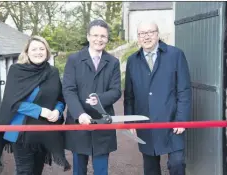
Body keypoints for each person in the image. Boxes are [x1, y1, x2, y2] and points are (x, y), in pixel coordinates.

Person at [0, 36, 70, 175]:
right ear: (27, 52)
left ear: (47, 51)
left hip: (43, 132)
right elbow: (12, 102)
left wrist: (57, 111)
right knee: (24, 171)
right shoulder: (16, 71)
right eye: (34, 49)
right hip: (21, 132)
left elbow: (60, 98)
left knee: (37, 171)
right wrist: (39, 111)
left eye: (42, 48)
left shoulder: (52, 72)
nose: (38, 52)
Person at [124, 21, 192, 175]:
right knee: (150, 168)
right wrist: (130, 120)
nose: (146, 37)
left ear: (157, 33)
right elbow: (129, 95)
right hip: (145, 122)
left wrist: (182, 120)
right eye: (142, 34)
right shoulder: (132, 60)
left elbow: (184, 90)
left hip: (172, 120)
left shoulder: (175, 55)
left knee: (177, 163)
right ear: (138, 37)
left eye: (150, 32)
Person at [62, 19, 122, 175]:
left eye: (103, 36)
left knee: (101, 170)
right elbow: (68, 89)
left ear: (107, 39)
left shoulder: (113, 62)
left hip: (102, 121)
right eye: (95, 35)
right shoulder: (74, 60)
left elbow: (116, 91)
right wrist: (79, 113)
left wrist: (99, 99)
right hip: (79, 122)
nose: (99, 39)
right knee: (79, 170)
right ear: (88, 36)